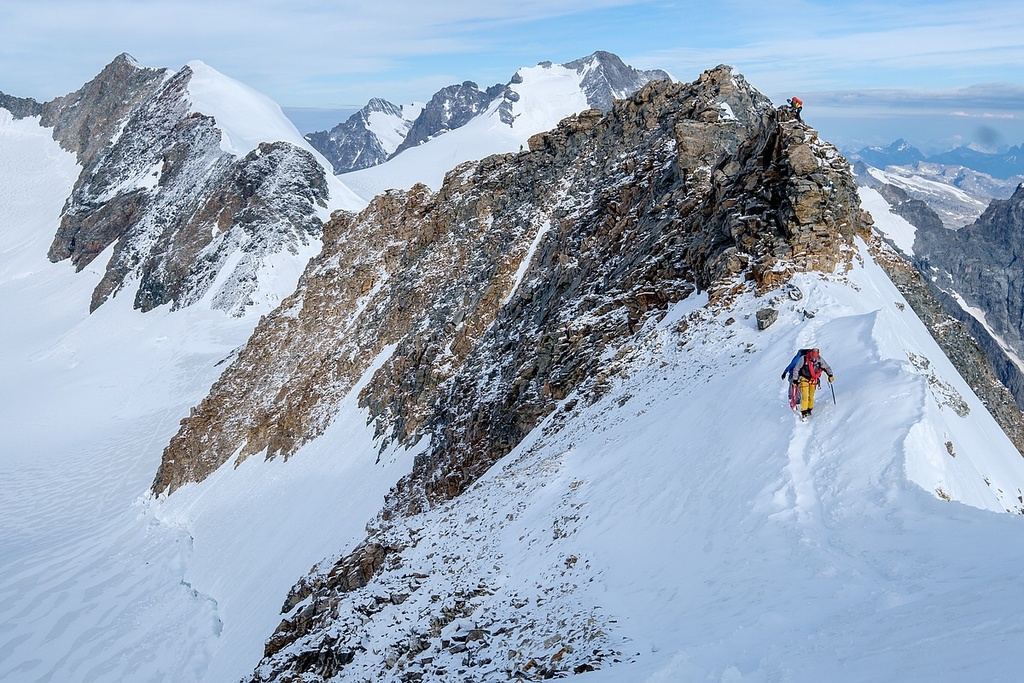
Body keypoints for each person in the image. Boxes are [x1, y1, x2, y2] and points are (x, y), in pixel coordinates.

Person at [788, 348, 834, 420]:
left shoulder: (820, 360)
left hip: (814, 379)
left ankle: (809, 409)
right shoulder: (804, 359)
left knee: (811, 395)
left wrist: (830, 375)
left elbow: (826, 367)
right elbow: (796, 369)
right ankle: (804, 411)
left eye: (815, 357)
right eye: (813, 356)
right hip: (804, 379)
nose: (814, 359)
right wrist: (795, 380)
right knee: (805, 396)